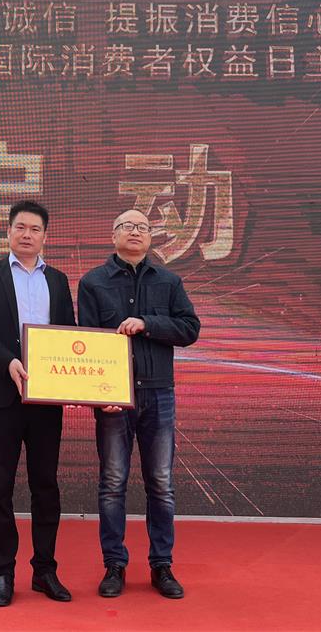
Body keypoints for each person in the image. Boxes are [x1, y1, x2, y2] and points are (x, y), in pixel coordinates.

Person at [77, 208, 200, 600]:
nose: (135, 232)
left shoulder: (169, 281)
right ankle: (114, 564)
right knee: (112, 484)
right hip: (114, 399)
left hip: (159, 394)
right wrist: (99, 396)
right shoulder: (93, 282)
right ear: (113, 235)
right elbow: (86, 342)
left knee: (161, 483)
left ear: (150, 237)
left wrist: (148, 323)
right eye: (127, 226)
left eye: (143, 227)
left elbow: (190, 329)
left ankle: (162, 565)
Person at [0, 200, 76, 607]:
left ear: (45, 236)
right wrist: (8, 361)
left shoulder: (58, 280)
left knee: (46, 485)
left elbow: (68, 335)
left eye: (35, 229)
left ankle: (45, 570)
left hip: (45, 399)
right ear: (8, 231)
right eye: (20, 227)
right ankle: (3, 573)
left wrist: (75, 385)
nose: (27, 234)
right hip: (0, 395)